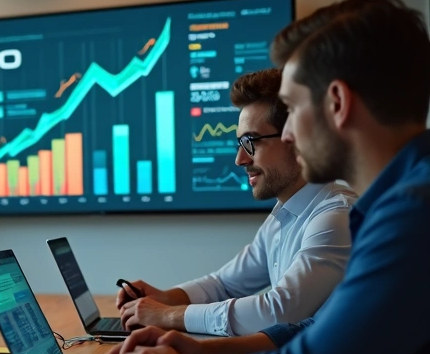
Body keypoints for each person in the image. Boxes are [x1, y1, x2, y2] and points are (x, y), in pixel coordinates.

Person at [101, 0, 430, 354]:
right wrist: (200, 350)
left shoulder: (412, 216)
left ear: (338, 103)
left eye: (294, 109)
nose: (292, 133)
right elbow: (321, 330)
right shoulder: (402, 201)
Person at [117, 68, 355, 336]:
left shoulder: (336, 218)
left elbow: (282, 310)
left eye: (251, 141)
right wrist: (164, 298)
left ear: (295, 138)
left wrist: (170, 315)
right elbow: (223, 284)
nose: (240, 159)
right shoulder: (283, 218)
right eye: (239, 143)